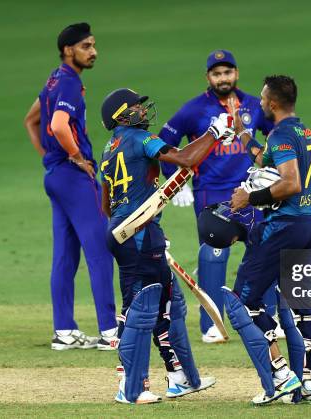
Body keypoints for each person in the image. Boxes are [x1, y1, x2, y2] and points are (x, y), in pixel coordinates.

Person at [99, 88, 233, 404]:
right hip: (139, 235)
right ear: (123, 115)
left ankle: (178, 376)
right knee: (138, 310)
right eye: (137, 107)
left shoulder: (109, 148)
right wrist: (213, 134)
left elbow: (106, 204)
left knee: (166, 304)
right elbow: (185, 159)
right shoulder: (140, 139)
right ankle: (129, 385)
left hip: (126, 231)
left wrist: (144, 223)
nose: (144, 111)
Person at [217, 76, 311, 405]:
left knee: (244, 301)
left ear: (274, 104)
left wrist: (249, 199)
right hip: (308, 225)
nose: (260, 104)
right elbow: (263, 159)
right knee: (301, 303)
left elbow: (290, 182)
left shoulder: (281, 136)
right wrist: (242, 133)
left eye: (264, 100)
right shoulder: (303, 131)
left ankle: (281, 375)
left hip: (283, 228)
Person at [159, 50, 281, 343]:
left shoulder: (254, 104)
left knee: (263, 250)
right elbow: (164, 145)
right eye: (217, 74)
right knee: (214, 255)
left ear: (236, 73)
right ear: (208, 77)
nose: (223, 78)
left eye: (227, 72)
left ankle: (269, 316)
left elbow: (277, 135)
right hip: (210, 191)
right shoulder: (193, 110)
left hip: (251, 191)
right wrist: (176, 182)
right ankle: (212, 324)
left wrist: (272, 171)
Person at [23, 22, 117, 351]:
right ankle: (110, 331)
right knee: (100, 251)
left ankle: (64, 331)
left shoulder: (54, 79)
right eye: (87, 46)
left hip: (55, 176)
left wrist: (50, 159)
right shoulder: (69, 83)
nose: (93, 51)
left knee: (65, 255)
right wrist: (76, 157)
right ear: (68, 50)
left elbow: (30, 120)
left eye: (93, 45)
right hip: (74, 178)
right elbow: (58, 125)